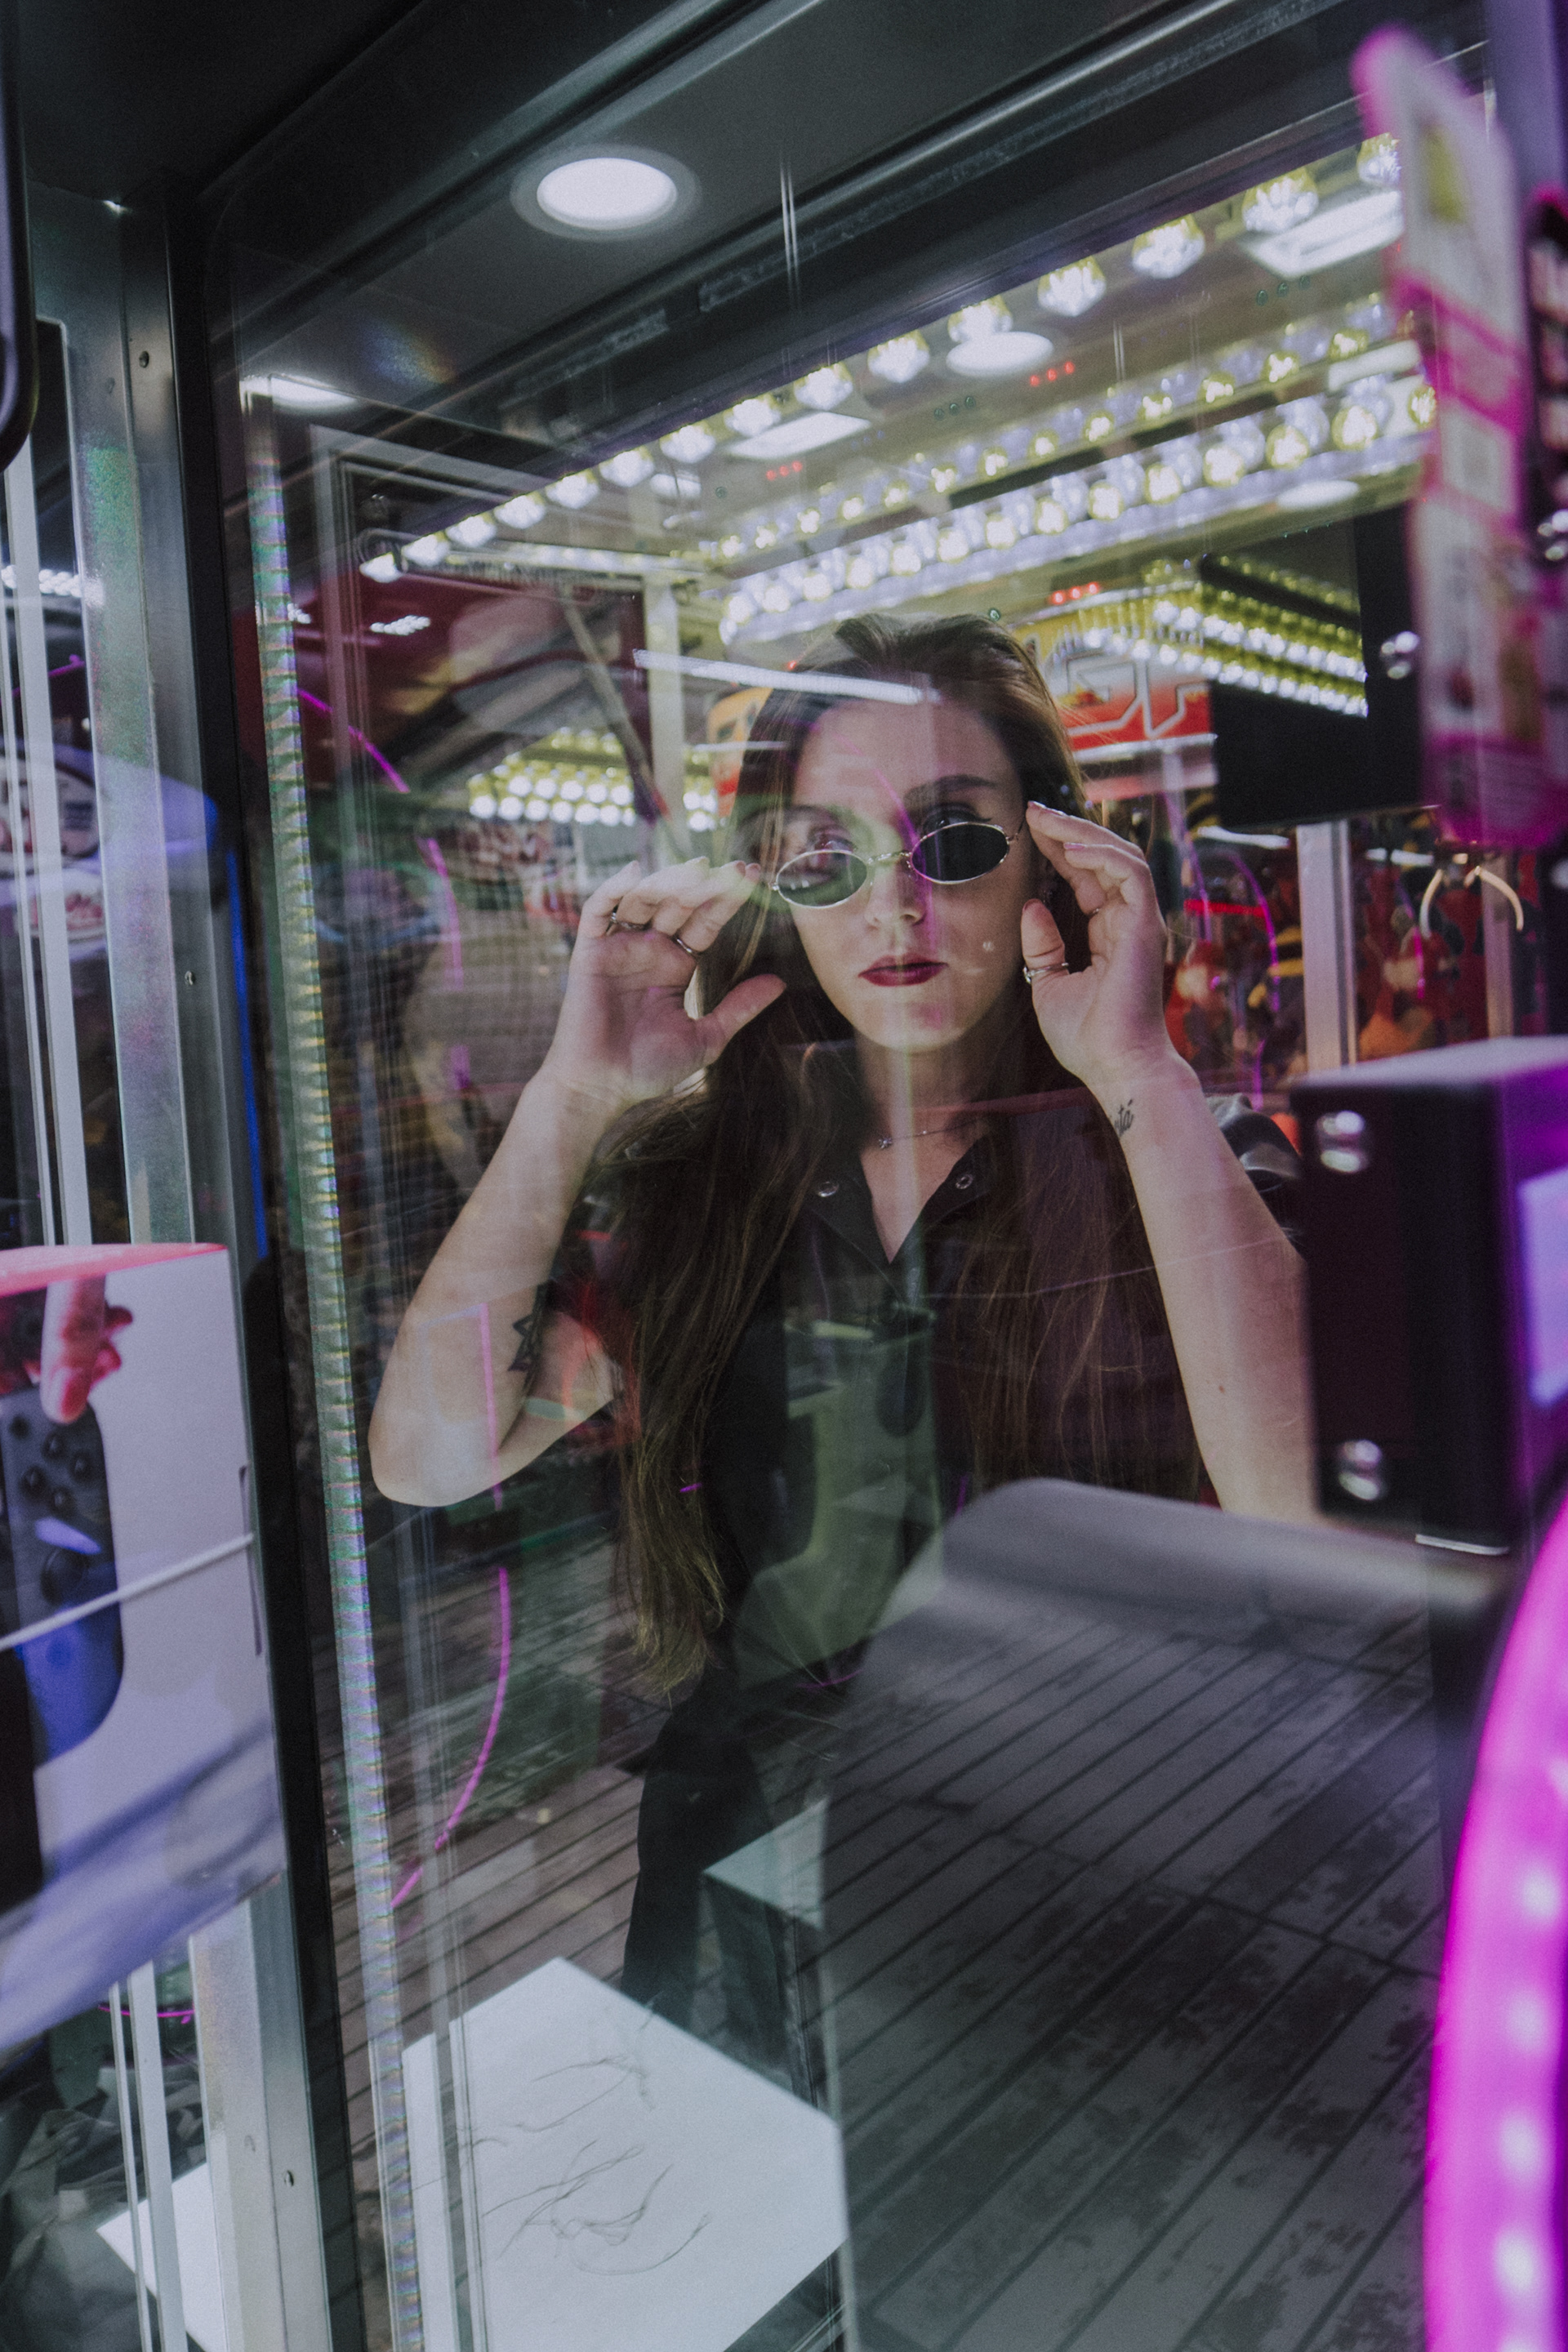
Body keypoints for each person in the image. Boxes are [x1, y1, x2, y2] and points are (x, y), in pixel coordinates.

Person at [369, 614, 1312, 2090]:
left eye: (954, 841)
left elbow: (1300, 1508)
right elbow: (430, 1459)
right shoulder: (707, 1185)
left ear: (1055, 860)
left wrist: (1137, 1069)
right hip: (752, 1900)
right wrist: (571, 1098)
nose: (894, 904)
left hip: (1083, 1885)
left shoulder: (1168, 1157)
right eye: (826, 856)